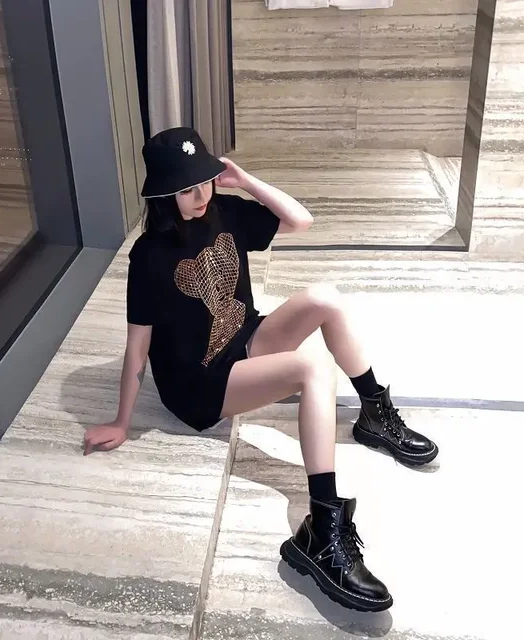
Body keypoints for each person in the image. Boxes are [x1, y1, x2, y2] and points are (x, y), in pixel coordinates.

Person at [83, 127, 439, 613]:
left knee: (326, 297)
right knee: (312, 368)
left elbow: (301, 221)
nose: (200, 197)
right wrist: (122, 421)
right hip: (200, 384)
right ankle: (321, 531)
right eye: (187, 190)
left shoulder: (223, 210)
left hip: (246, 339)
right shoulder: (148, 255)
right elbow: (137, 349)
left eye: (205, 182)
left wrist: (245, 180)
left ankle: (375, 413)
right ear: (164, 194)